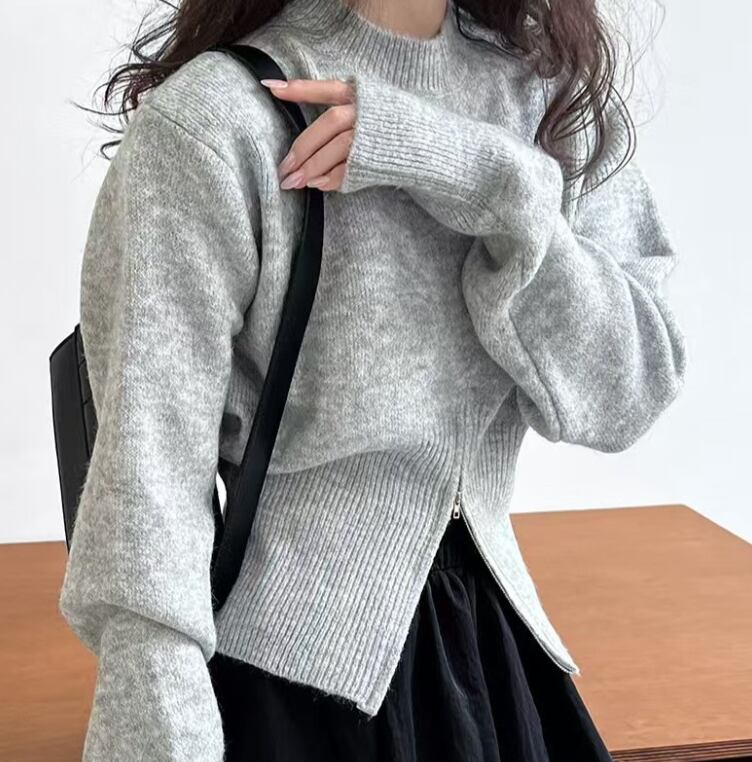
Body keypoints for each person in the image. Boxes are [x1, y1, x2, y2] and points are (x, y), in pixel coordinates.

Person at [58, 0, 687, 759]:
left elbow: (630, 391)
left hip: (493, 651)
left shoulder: (545, 100)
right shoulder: (217, 121)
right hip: (291, 684)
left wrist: (484, 178)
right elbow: (145, 497)